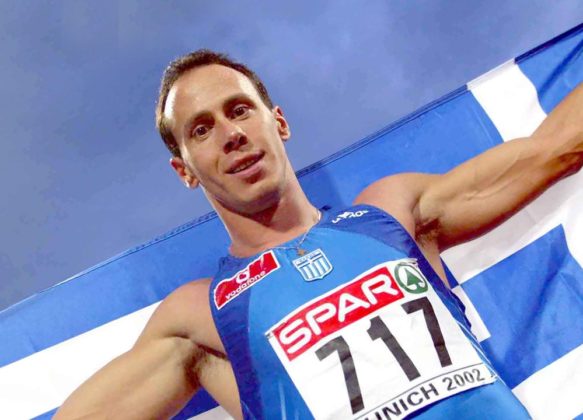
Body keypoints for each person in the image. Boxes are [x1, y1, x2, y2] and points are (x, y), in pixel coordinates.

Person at [55, 50, 582, 419]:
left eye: (239, 110)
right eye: (202, 128)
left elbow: (555, 148)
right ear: (184, 170)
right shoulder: (201, 316)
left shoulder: (392, 213)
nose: (231, 134)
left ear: (278, 122)